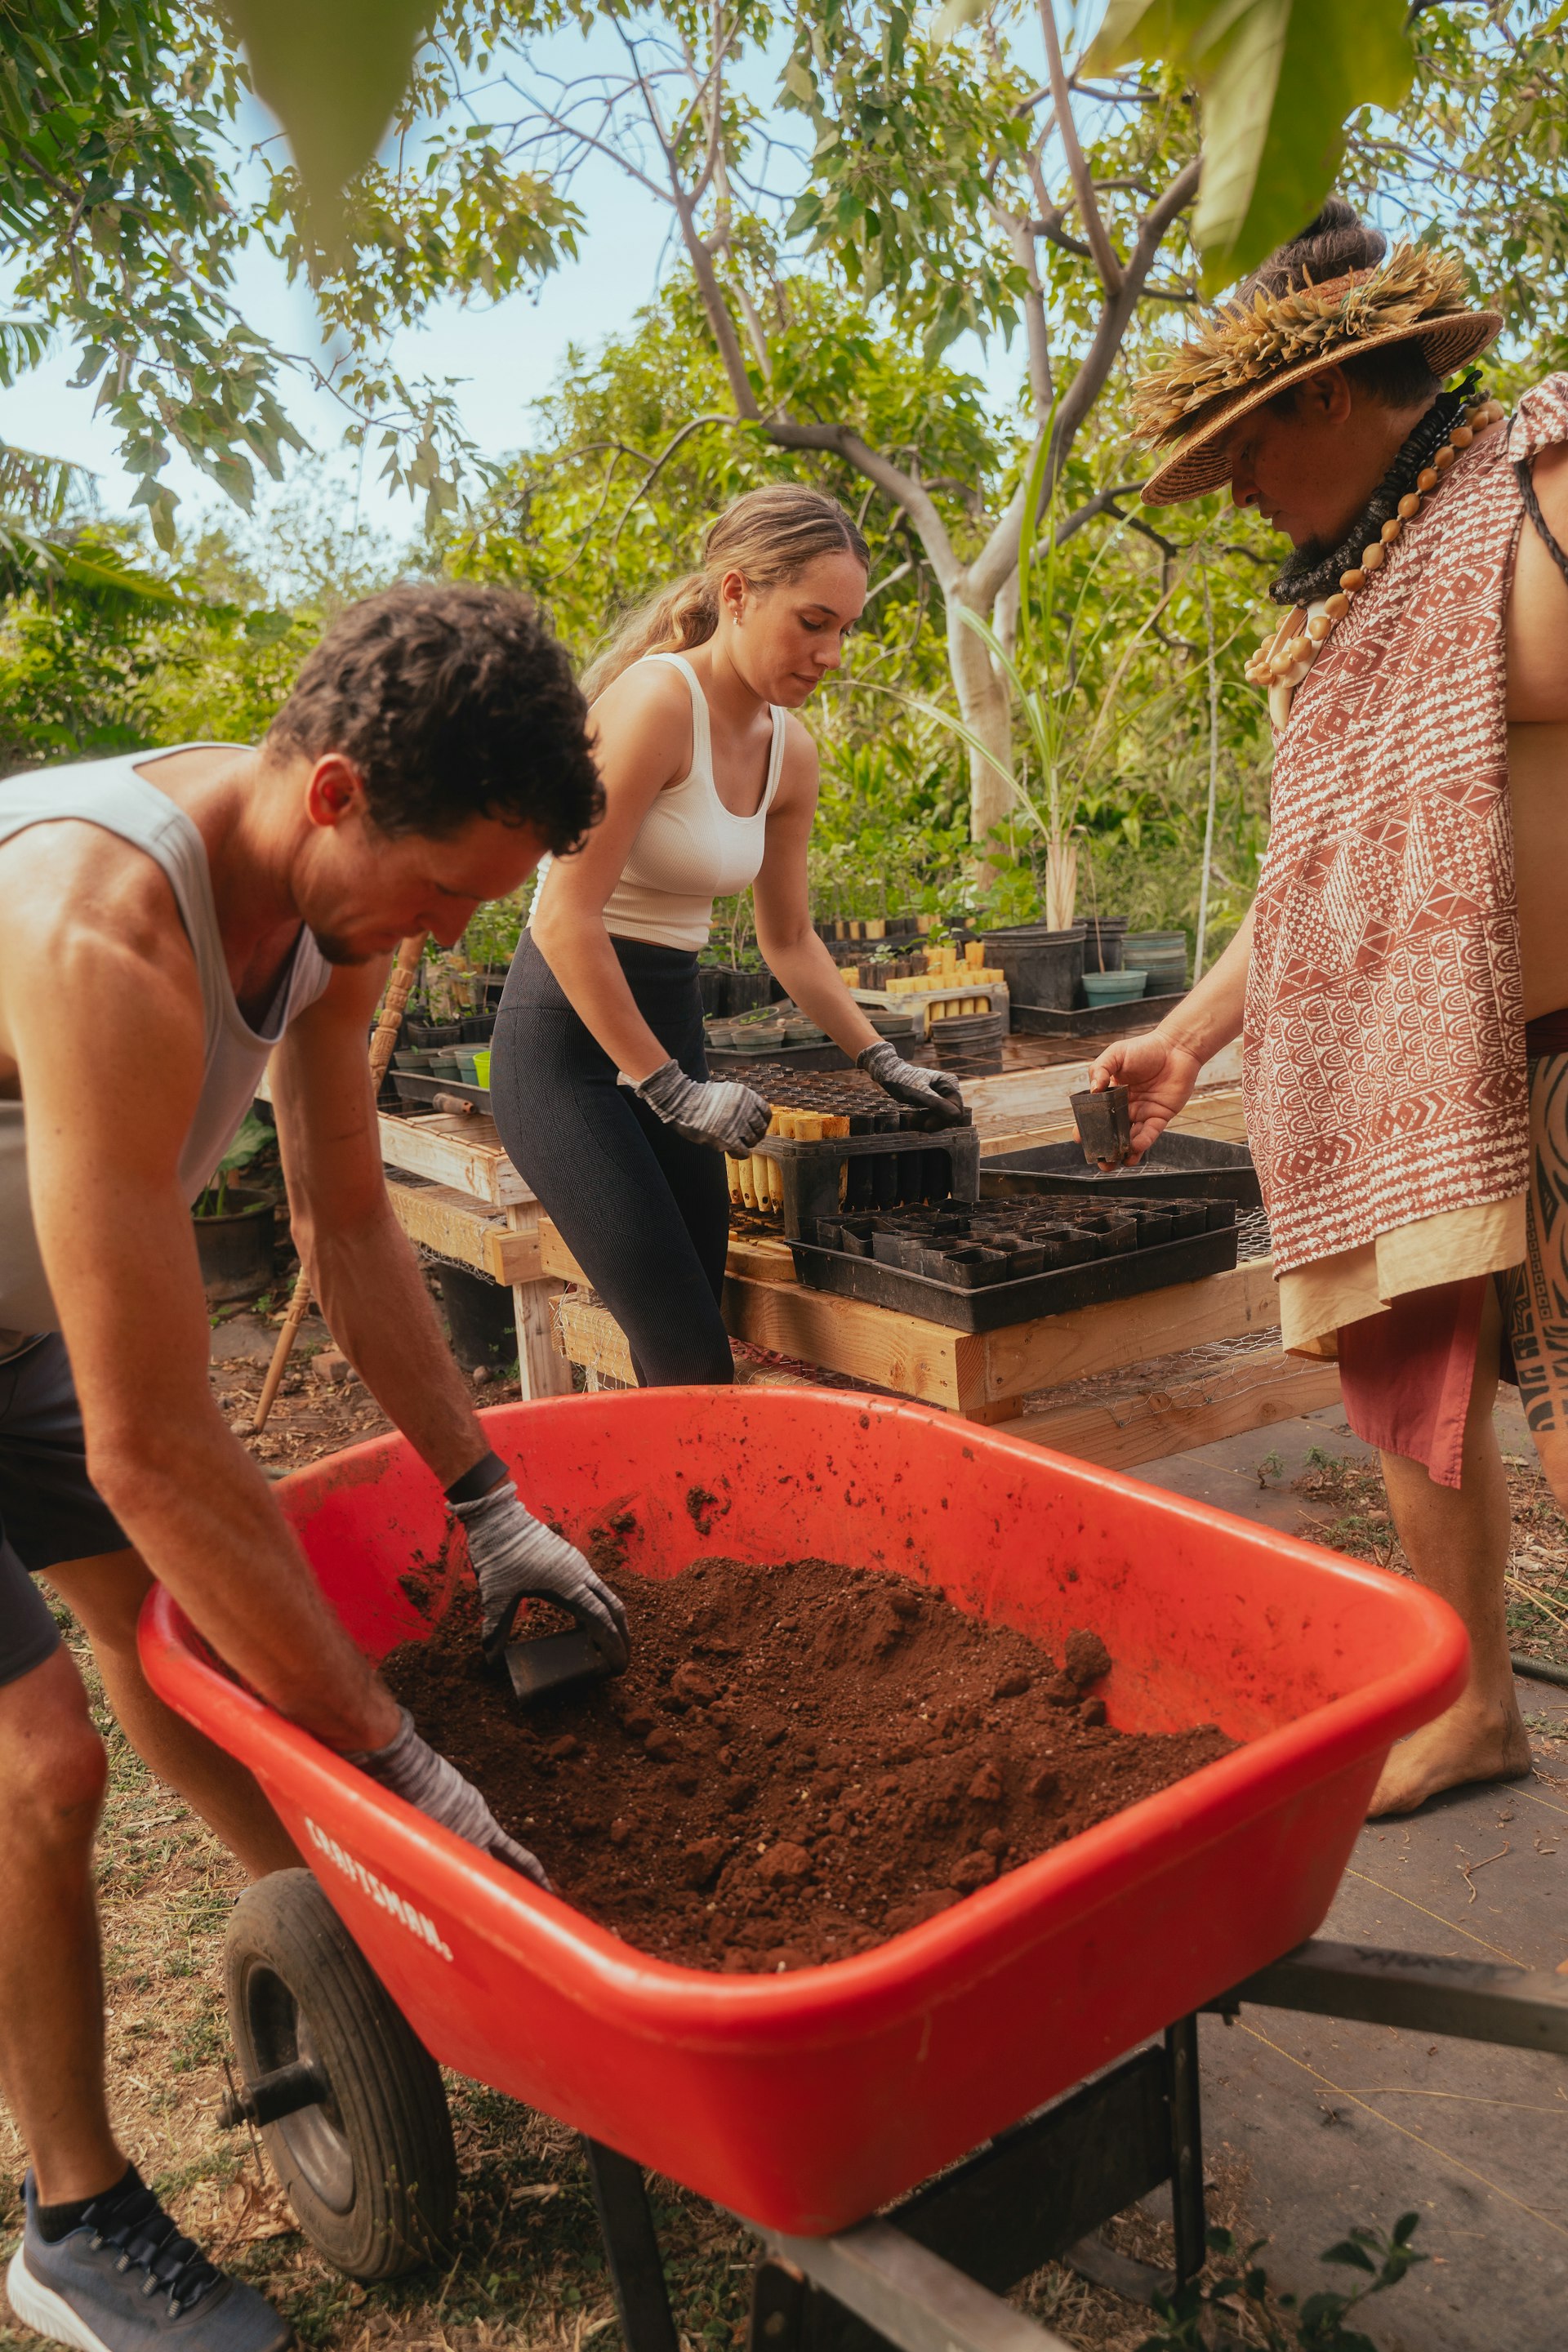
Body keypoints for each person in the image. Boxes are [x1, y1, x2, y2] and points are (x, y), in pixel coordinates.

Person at [0, 582, 628, 2352]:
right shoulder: (100, 931)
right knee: (42, 1764)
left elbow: (348, 1227)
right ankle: (71, 2218)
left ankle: (327, 1941)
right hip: (46, 1346)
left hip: (12, 1327)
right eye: (445, 892)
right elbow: (147, 1448)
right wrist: (403, 1759)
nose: (444, 930)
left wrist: (489, 1502)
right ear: (336, 792)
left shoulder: (335, 919)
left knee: (186, 1651)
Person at [1091, 198, 1568, 1815]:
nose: (1237, 493)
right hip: (1414, 1059)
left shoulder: (1532, 477)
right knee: (1406, 1379)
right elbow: (1315, 870)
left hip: (1559, 1048)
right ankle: (1475, 1704)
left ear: (1325, 392)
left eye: (1247, 451)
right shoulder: (1331, 601)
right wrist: (1185, 1036)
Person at [490, 486, 964, 1388]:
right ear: (738, 593)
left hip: (669, 1044)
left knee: (697, 1321)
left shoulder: (792, 749)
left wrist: (884, 1061)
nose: (829, 655)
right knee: (688, 1354)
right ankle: (687, 1529)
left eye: (845, 631)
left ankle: (663, 1516)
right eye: (812, 623)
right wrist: (666, 1086)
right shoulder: (657, 706)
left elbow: (788, 941)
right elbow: (562, 915)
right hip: (569, 1054)